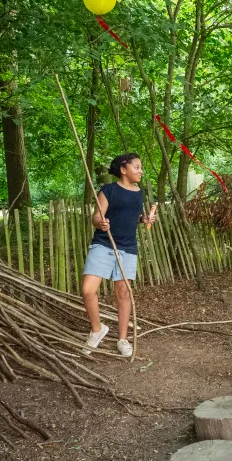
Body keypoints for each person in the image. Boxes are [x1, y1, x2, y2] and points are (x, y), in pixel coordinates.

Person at [81, 153, 156, 357]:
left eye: (141, 167)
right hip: (104, 244)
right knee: (88, 290)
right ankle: (97, 330)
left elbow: (136, 216)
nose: (141, 171)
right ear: (124, 169)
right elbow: (97, 216)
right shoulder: (109, 190)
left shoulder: (138, 193)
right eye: (137, 167)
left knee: (123, 293)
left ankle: (122, 339)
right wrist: (100, 223)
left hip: (127, 247)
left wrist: (145, 219)